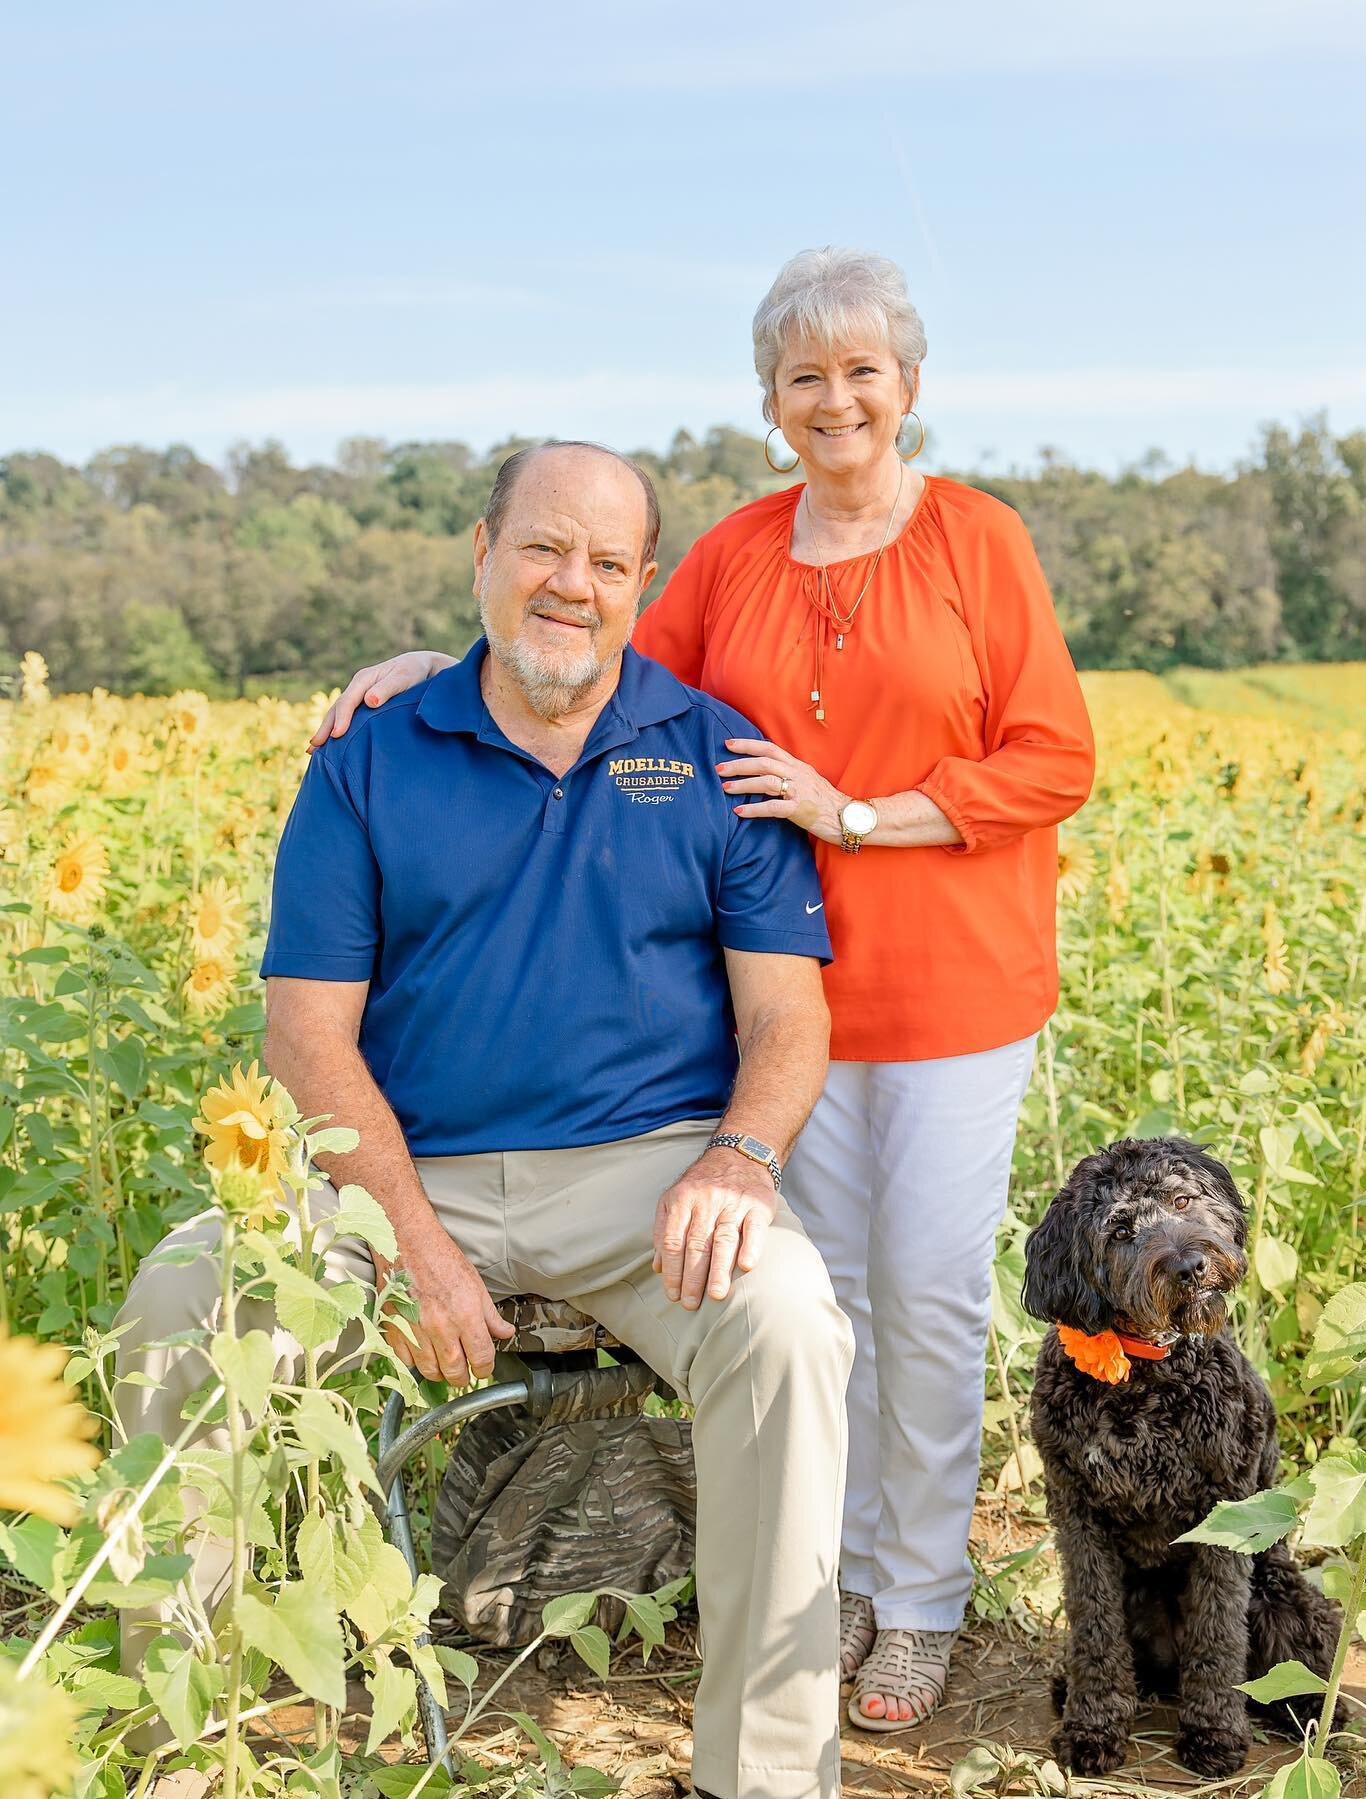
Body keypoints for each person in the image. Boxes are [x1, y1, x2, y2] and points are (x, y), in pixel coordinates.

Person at [316, 247, 1096, 1732]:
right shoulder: (732, 553)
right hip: (762, 1018)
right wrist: (439, 657)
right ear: (770, 403)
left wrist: (854, 813)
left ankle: (921, 1594)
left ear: (908, 390)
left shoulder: (978, 541)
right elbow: (587, 656)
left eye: (863, 371)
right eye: (805, 376)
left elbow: (1054, 759)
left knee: (926, 1301)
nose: (836, 399)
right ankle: (840, 1582)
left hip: (945, 991)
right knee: (824, 1303)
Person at [116, 441, 853, 1799]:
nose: (571, 586)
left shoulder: (714, 758)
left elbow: (788, 1020)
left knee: (789, 1325)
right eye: (542, 550)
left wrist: (740, 1161)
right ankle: (176, 1733)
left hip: (647, 1179)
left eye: (607, 563)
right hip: (401, 1170)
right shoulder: (369, 760)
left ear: (643, 584)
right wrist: (405, 1234)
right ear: (480, 553)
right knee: (182, 1297)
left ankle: (767, 1776)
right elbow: (305, 1034)